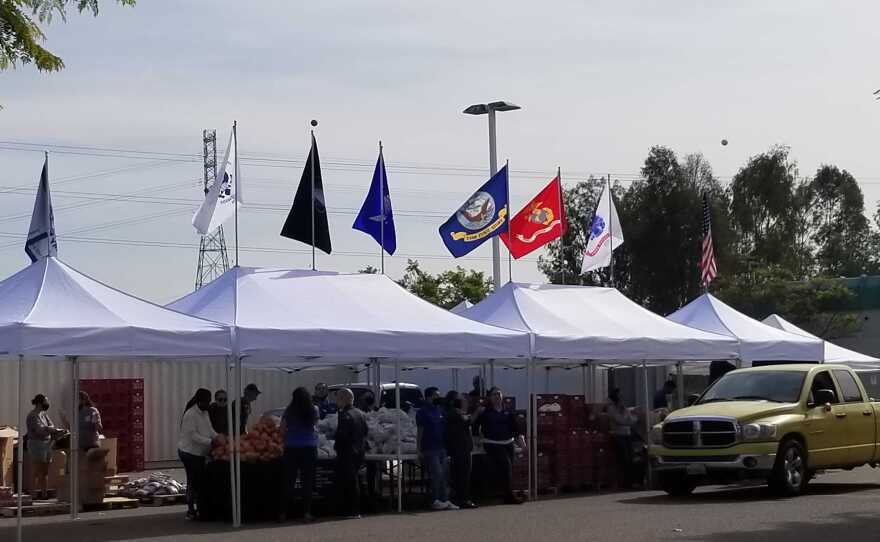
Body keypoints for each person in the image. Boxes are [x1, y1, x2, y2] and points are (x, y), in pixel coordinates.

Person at [475, 387, 525, 505]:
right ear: (490, 397)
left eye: (499, 394)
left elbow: (516, 430)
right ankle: (509, 496)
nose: (497, 396)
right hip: (492, 444)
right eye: (494, 394)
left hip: (508, 443)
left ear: (502, 396)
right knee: (506, 465)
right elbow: (476, 428)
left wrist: (523, 445)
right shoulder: (485, 412)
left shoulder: (508, 412)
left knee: (508, 469)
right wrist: (477, 441)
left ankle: (505, 493)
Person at [279, 387, 319, 522]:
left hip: (291, 448)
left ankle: (283, 513)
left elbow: (282, 429)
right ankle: (306, 513)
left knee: (288, 481)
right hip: (309, 447)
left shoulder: (289, 411)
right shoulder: (313, 410)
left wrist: (285, 439)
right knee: (307, 482)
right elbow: (314, 425)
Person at [178, 388, 217, 520]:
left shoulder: (205, 413)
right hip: (189, 452)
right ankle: (190, 510)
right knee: (193, 480)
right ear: (199, 401)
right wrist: (210, 442)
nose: (208, 404)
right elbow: (192, 435)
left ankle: (200, 508)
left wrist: (219, 438)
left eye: (209, 401)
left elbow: (210, 429)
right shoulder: (190, 414)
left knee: (199, 480)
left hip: (199, 453)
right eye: (206, 401)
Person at [417, 387, 457, 511]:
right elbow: (420, 431)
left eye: (438, 395)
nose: (437, 398)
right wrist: (418, 448)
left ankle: (444, 499)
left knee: (444, 475)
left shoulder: (440, 410)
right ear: (428, 397)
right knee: (437, 474)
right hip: (430, 448)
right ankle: (435, 500)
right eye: (435, 395)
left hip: (441, 447)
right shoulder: (422, 412)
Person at [333, 388, 368, 519]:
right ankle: (356, 509)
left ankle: (350, 510)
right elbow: (366, 431)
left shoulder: (344, 415)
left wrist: (336, 446)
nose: (337, 402)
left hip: (347, 452)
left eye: (338, 399)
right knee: (356, 480)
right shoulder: (361, 414)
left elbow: (342, 435)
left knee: (348, 482)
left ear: (344, 398)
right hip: (359, 451)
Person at [26, 394, 64, 499]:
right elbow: (39, 430)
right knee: (36, 470)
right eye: (45, 401)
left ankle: (44, 494)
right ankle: (32, 494)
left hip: (47, 443)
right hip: (36, 443)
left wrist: (49, 429)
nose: (47, 404)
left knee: (45, 471)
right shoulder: (32, 416)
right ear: (39, 403)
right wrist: (49, 429)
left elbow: (51, 426)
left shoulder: (44, 414)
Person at [444, 390, 477, 509]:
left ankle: (460, 498)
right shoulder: (455, 413)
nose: (464, 400)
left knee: (460, 475)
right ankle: (463, 499)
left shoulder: (456, 413)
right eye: (461, 398)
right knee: (463, 475)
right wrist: (477, 412)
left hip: (461, 448)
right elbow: (468, 422)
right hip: (460, 449)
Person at [608, 388, 637, 489]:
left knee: (631, 458)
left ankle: (630, 481)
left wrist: (628, 417)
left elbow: (632, 419)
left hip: (627, 435)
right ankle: (625, 482)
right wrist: (629, 419)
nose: (622, 397)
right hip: (618, 435)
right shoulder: (612, 408)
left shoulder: (624, 408)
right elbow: (621, 421)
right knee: (624, 459)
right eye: (620, 395)